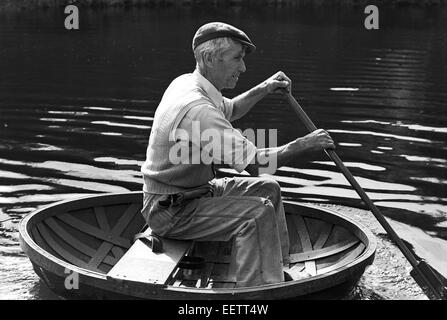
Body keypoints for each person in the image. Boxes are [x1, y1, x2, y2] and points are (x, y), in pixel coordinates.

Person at [140, 22, 335, 287]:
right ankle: (259, 290)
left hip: (194, 194)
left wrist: (265, 87)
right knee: (257, 212)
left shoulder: (189, 83)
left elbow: (230, 109)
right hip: (171, 210)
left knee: (268, 189)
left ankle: (276, 268)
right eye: (237, 59)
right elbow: (256, 164)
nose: (243, 68)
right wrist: (304, 144)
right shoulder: (197, 108)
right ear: (210, 58)